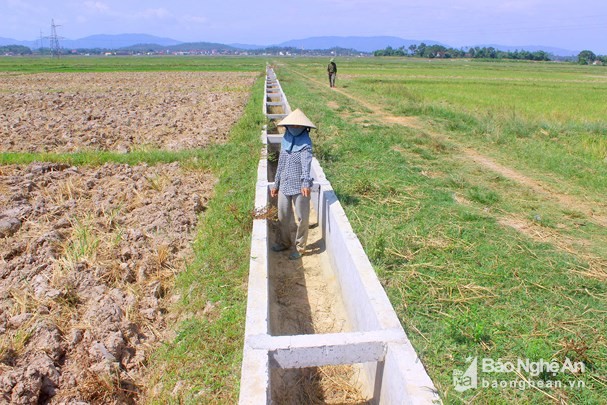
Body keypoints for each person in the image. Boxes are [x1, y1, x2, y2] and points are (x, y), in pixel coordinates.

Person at [270, 109, 316, 260]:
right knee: (282, 215)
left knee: (302, 217)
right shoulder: (285, 140)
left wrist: (305, 183)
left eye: (298, 125)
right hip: (284, 184)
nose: (295, 128)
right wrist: (276, 184)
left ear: (304, 127)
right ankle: (284, 242)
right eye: (292, 125)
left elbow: (306, 165)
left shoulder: (305, 144)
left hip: (300, 187)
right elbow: (281, 163)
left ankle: (300, 247)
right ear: (288, 126)